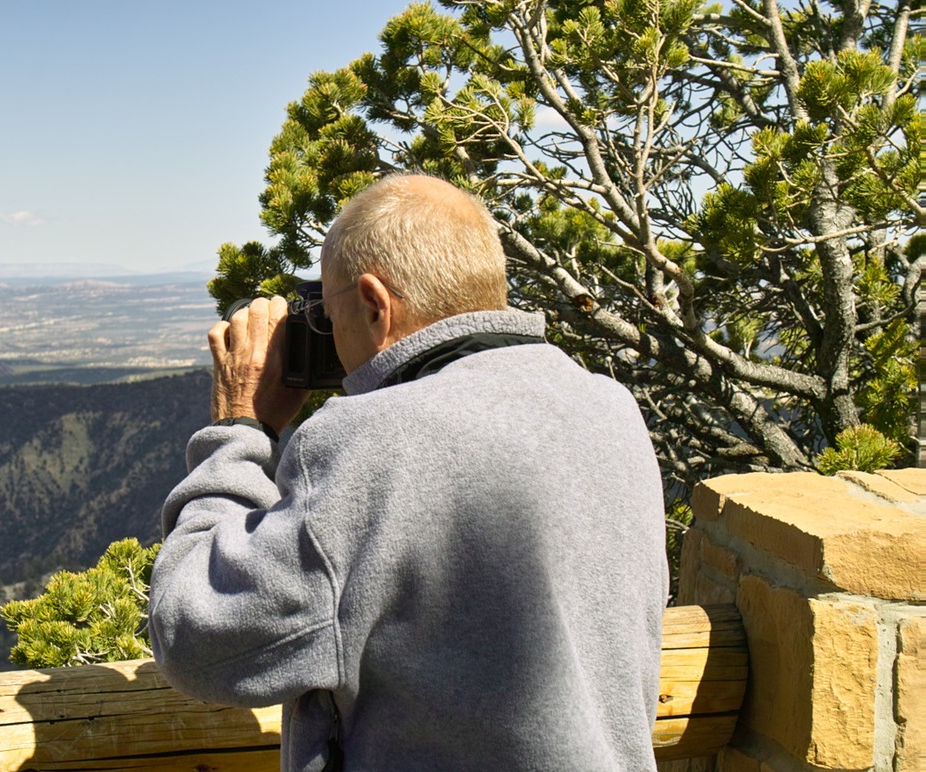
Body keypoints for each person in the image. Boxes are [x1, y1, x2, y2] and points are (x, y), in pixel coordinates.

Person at [149, 174, 668, 770]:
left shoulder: (369, 440)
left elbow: (192, 634)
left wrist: (239, 428)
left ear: (373, 304)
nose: (326, 330)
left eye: (326, 306)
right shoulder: (607, 407)